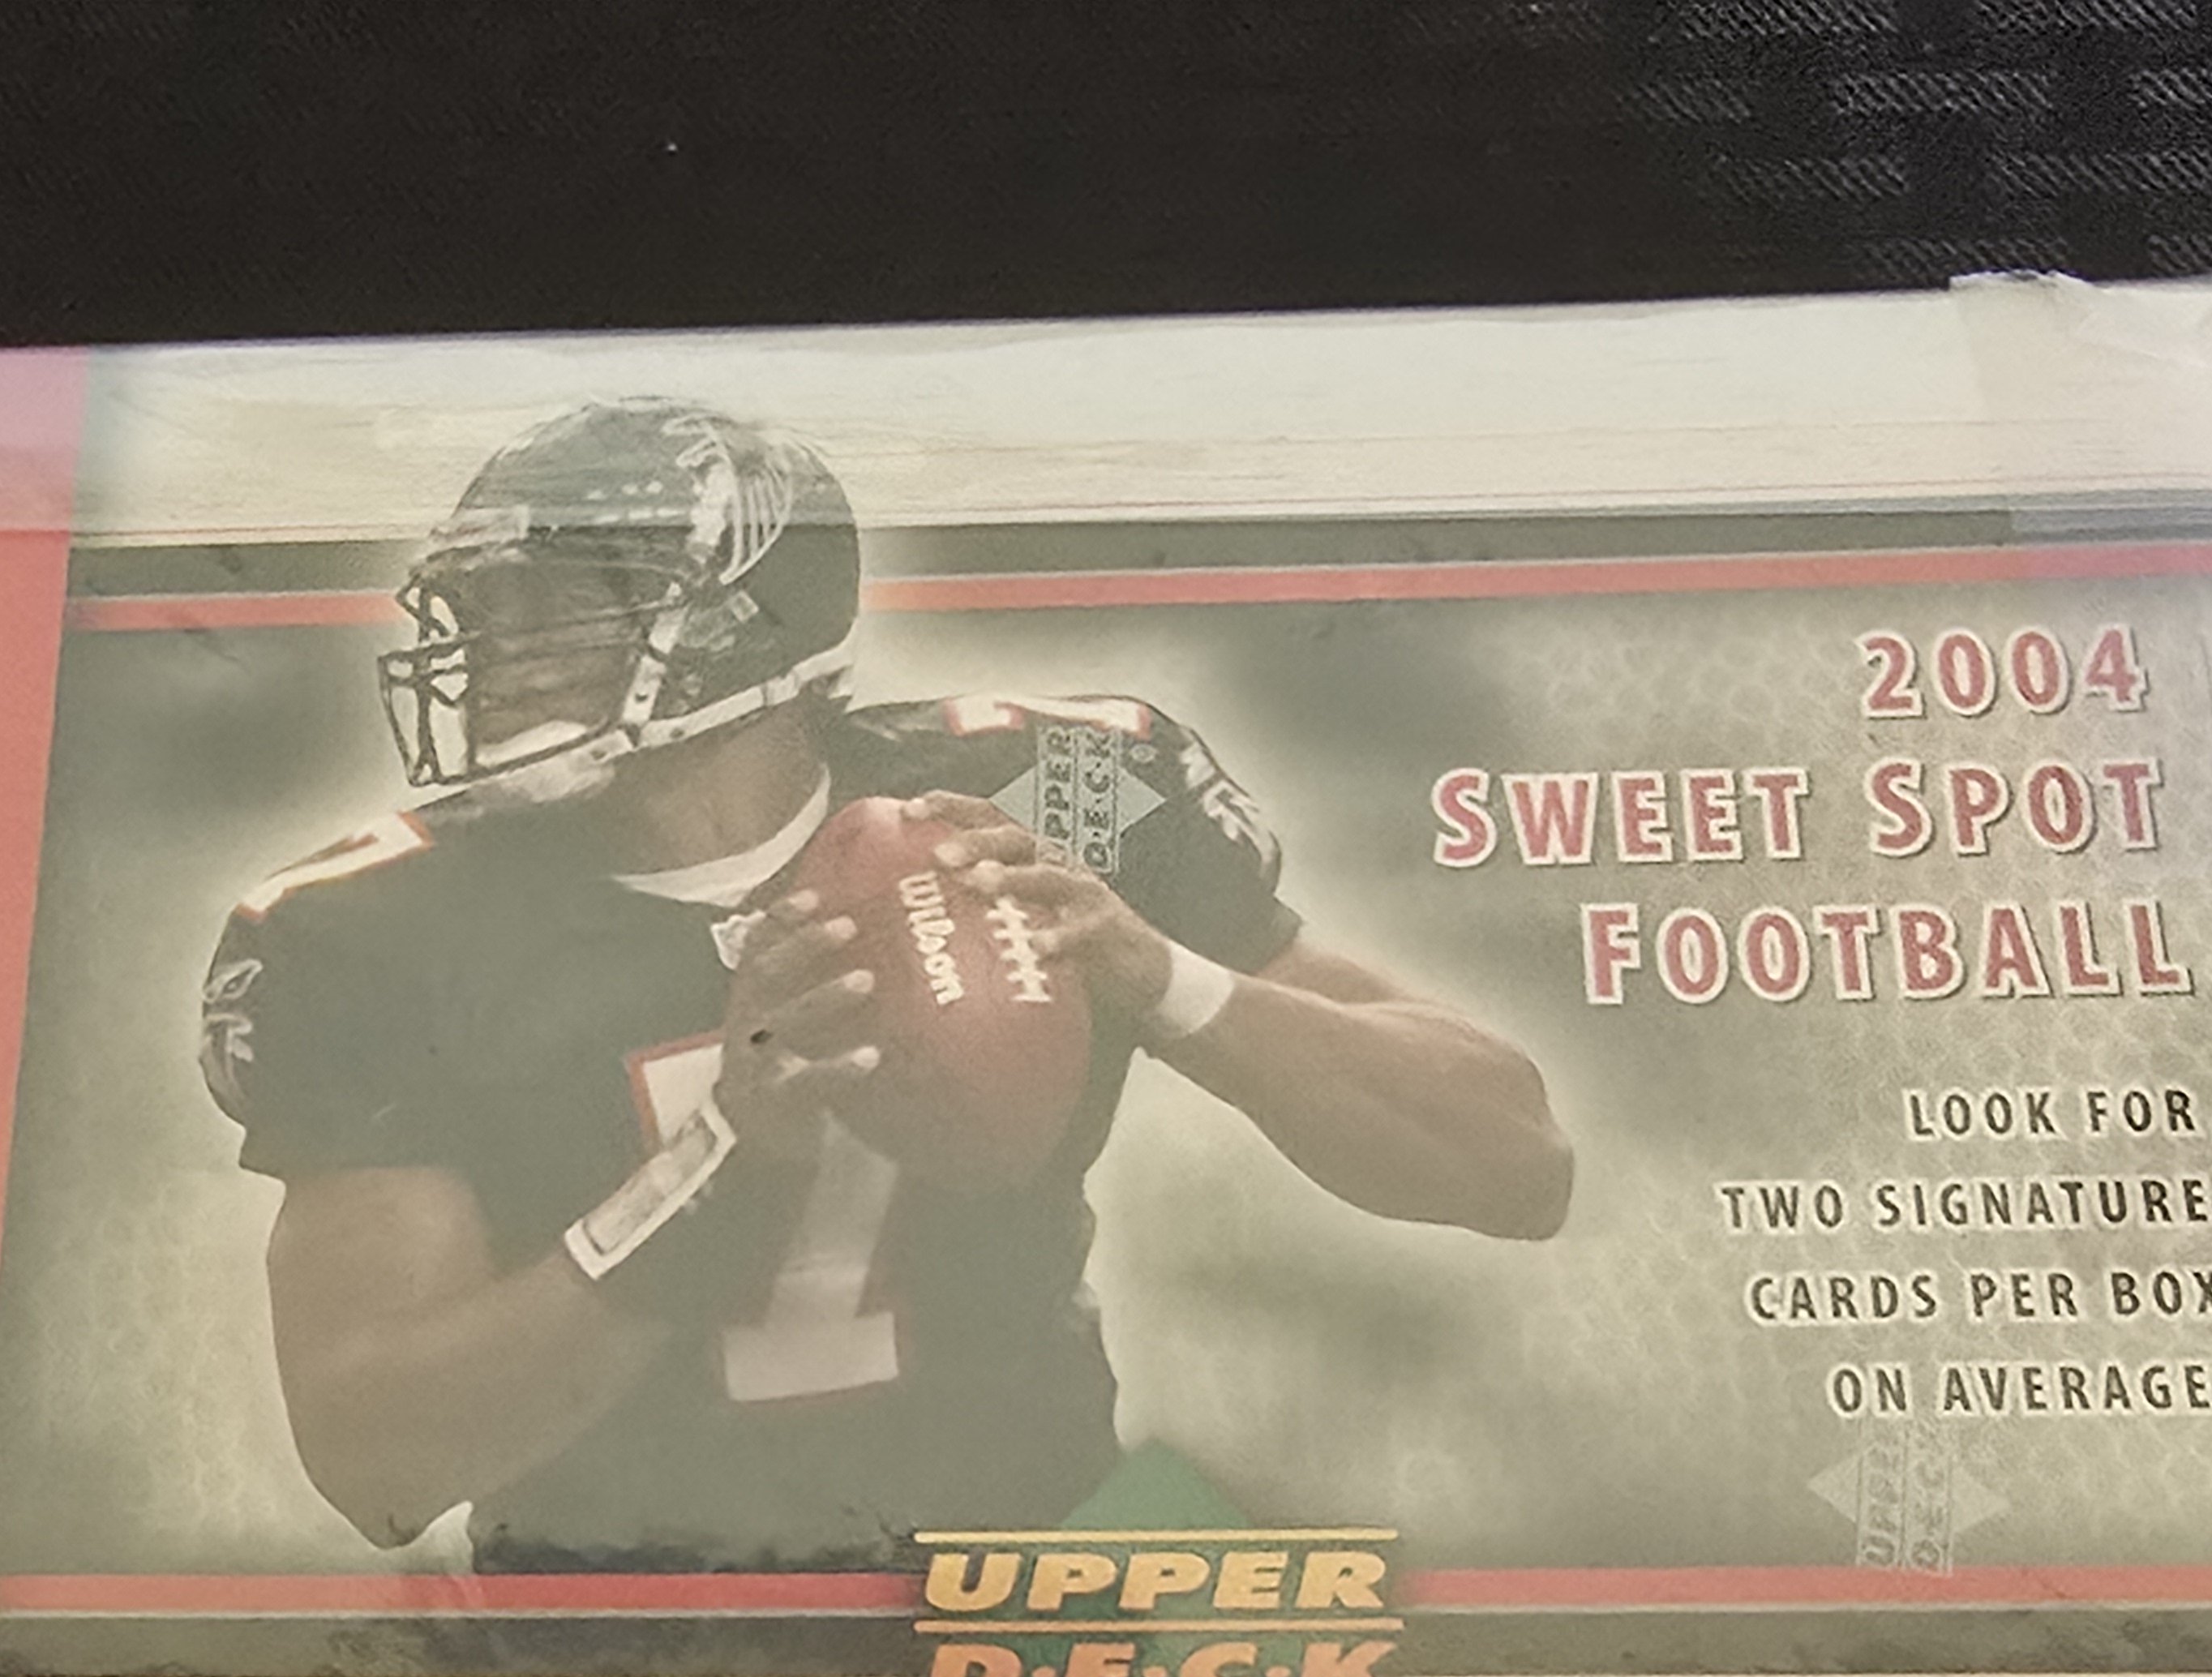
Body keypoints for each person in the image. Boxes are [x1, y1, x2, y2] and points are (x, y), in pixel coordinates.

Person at [200, 399, 1570, 1572]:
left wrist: (1161, 975)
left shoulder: (1062, 787)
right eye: (480, 609)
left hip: (1052, 1561)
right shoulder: (365, 930)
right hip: (629, 1610)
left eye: (545, 609)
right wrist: (718, 1160)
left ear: (735, 622)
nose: (490, 657)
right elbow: (376, 1468)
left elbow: (1519, 1166)